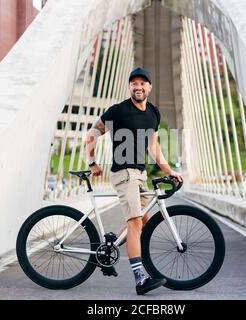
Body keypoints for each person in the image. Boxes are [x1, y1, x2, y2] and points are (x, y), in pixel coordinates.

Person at [84, 67, 183, 295]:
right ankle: (140, 280)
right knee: (136, 223)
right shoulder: (119, 111)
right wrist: (92, 162)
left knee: (144, 220)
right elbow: (93, 133)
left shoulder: (153, 113)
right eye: (134, 83)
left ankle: (111, 243)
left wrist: (168, 170)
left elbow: (154, 146)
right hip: (123, 173)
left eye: (142, 83)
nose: (138, 87)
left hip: (140, 174)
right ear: (130, 87)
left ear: (149, 87)